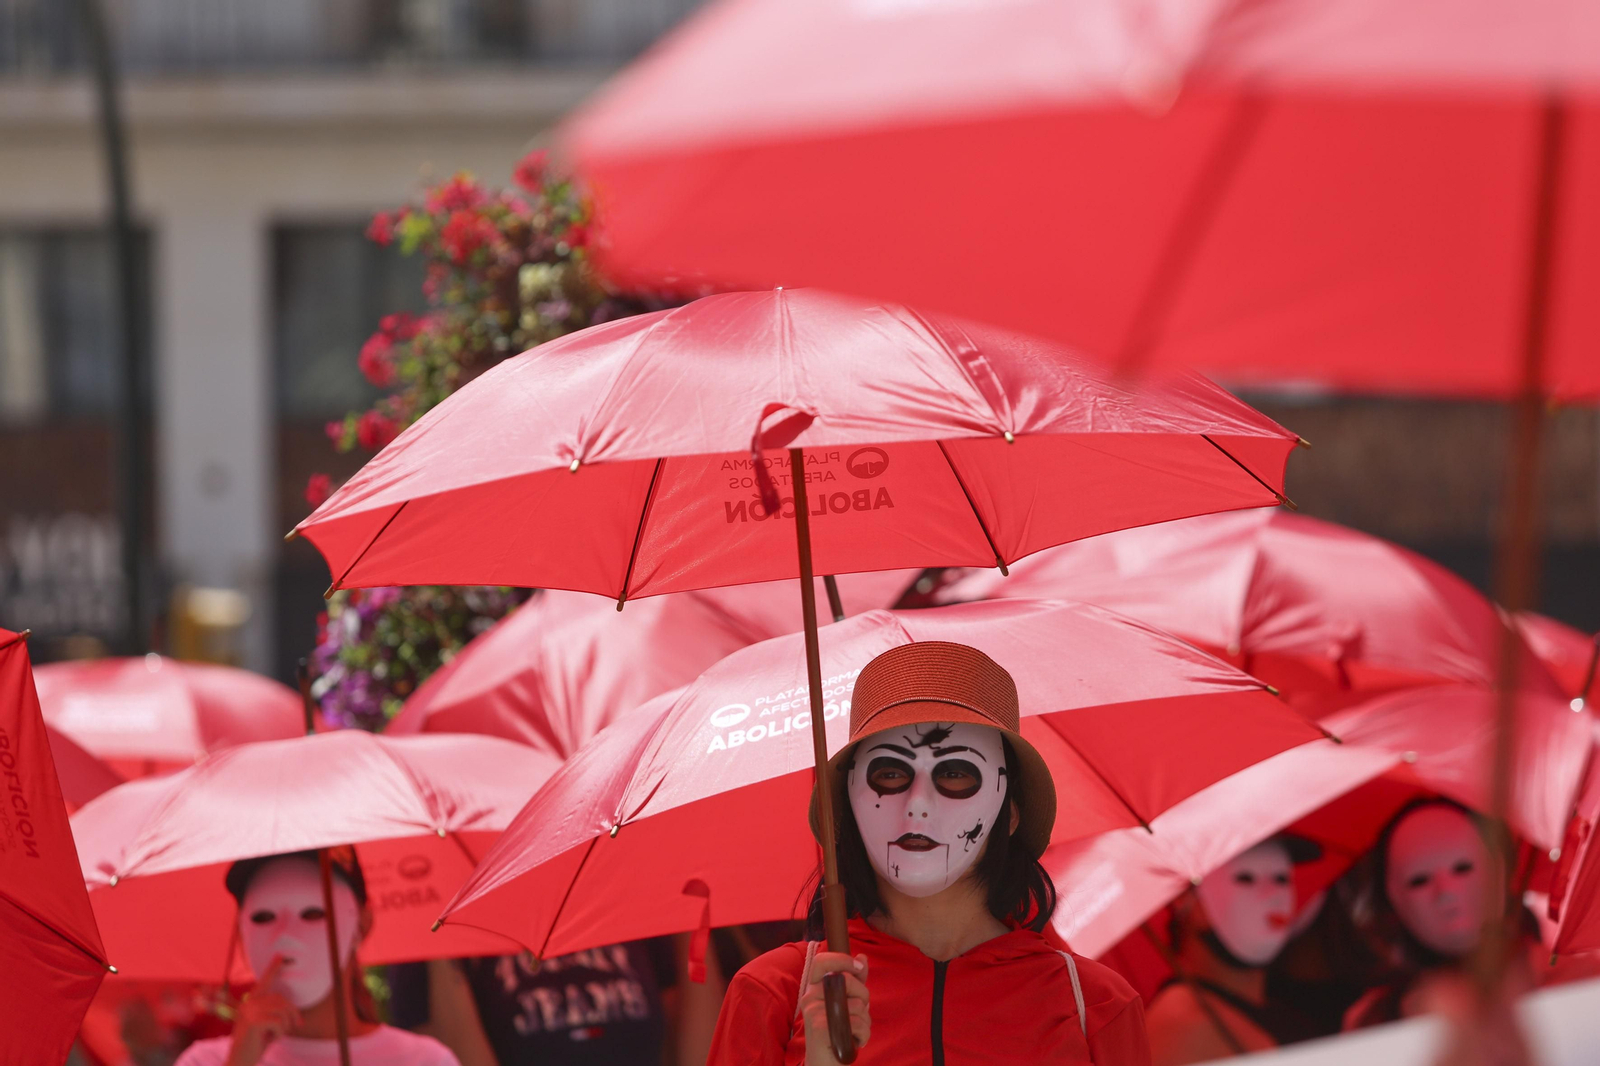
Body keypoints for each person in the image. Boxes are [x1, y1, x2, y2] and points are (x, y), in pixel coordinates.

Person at [706, 641, 1150, 1065]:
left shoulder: (1096, 1003)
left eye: (955, 773)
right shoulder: (776, 992)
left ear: (1010, 813)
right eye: (890, 773)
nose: (917, 804)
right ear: (848, 807)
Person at [175, 848, 459, 1066]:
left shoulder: (424, 1061)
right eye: (264, 917)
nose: (285, 935)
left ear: (362, 924)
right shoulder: (205, 1061)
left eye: (312, 913)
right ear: (240, 932)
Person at [1144, 836, 1323, 1065]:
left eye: (1282, 879)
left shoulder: (1288, 1014)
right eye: (1245, 878)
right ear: (1186, 899)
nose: (1273, 896)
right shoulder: (1181, 1022)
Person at [1343, 799, 1511, 1028]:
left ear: (1498, 872)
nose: (1446, 892)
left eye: (1462, 868)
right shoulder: (1373, 1021)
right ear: (1392, 897)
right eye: (1419, 880)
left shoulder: (1553, 977)